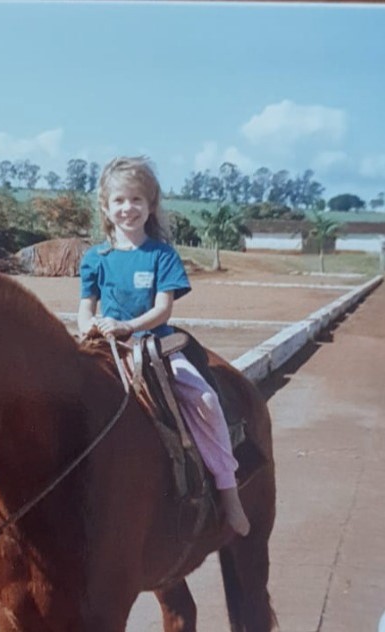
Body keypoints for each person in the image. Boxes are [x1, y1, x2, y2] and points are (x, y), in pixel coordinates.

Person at [77, 156, 250, 537]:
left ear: (151, 205)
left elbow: (162, 309)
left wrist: (127, 326)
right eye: (120, 200)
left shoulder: (161, 255)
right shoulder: (95, 258)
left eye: (137, 199)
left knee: (205, 400)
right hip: (107, 348)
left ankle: (227, 488)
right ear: (106, 207)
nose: (128, 208)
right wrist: (91, 328)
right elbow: (85, 309)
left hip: (154, 347)